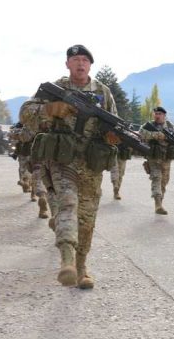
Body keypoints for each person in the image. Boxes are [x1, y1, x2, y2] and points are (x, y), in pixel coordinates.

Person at [20, 44, 118, 289]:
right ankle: (67, 261)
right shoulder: (56, 89)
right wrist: (49, 109)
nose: (80, 63)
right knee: (67, 204)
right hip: (63, 158)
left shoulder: (103, 92)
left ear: (90, 65)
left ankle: (82, 267)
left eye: (85, 60)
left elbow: (114, 124)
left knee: (86, 218)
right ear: (67, 64)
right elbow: (25, 112)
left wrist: (113, 137)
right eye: (75, 60)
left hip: (91, 163)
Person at [139, 107, 174, 215]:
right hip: (154, 157)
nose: (157, 116)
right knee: (156, 178)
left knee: (164, 181)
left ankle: (160, 201)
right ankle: (157, 204)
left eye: (159, 114)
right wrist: (156, 135)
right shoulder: (149, 125)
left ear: (164, 115)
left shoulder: (170, 126)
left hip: (166, 158)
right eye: (156, 113)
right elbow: (141, 133)